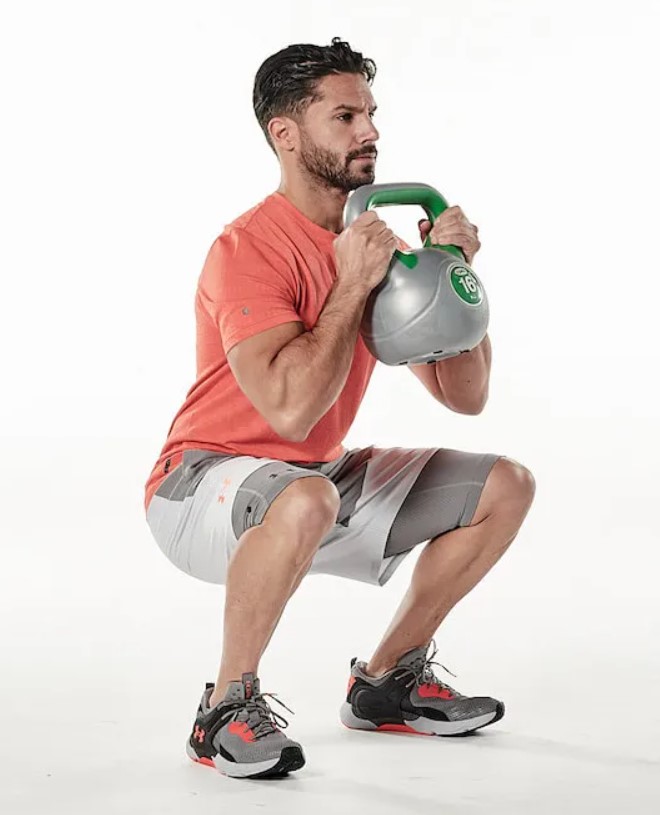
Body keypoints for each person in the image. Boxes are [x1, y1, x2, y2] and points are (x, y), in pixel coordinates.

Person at [144, 37, 535, 780]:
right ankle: (223, 710)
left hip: (314, 482)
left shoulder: (375, 244)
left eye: (371, 114)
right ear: (284, 135)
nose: (370, 132)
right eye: (344, 116)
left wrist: (450, 272)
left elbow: (465, 396)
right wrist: (349, 283)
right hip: (198, 484)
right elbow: (289, 410)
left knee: (505, 484)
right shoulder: (247, 247)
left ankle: (387, 679)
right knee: (304, 494)